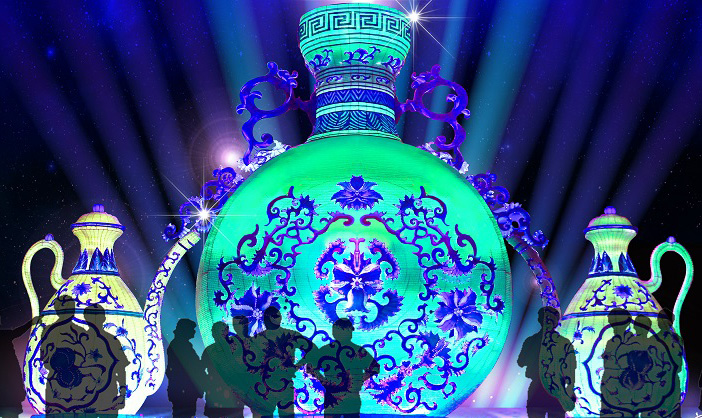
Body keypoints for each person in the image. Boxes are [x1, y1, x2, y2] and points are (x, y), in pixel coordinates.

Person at [304, 318, 379, 418]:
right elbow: (375, 368)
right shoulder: (358, 350)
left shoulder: (327, 349)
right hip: (340, 397)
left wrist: (323, 380)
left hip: (342, 397)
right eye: (348, 330)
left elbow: (310, 367)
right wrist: (359, 379)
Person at [249, 306, 315, 417]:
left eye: (277, 316)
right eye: (275, 316)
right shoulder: (257, 339)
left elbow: (312, 350)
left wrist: (297, 366)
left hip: (279, 385)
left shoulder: (290, 335)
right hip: (267, 386)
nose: (276, 318)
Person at [518, 306, 575, 418]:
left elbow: (521, 362)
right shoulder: (565, 343)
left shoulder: (530, 341)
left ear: (539, 319)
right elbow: (570, 370)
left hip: (537, 391)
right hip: (558, 392)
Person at [202, 321, 244, 418]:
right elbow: (201, 369)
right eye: (216, 331)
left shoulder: (236, 346)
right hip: (217, 390)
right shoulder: (209, 350)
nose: (218, 334)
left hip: (232, 390)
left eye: (222, 330)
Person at [166, 318, 205, 418]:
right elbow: (192, 366)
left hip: (183, 389)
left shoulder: (179, 344)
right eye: (192, 329)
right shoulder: (181, 345)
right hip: (184, 390)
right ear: (185, 330)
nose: (194, 331)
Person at [0, 312, 36, 418]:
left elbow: (17, 332)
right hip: (9, 371)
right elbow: (18, 332)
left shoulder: (4, 334)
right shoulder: (4, 335)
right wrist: (32, 322)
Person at [600, 308, 631, 418]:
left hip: (623, 382)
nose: (612, 326)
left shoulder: (631, 341)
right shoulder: (611, 341)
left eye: (614, 323)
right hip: (609, 382)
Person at [652, 308, 683, 418]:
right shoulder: (654, 339)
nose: (660, 322)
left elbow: (678, 363)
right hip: (659, 382)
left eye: (662, 319)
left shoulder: (676, 339)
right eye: (659, 320)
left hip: (669, 381)